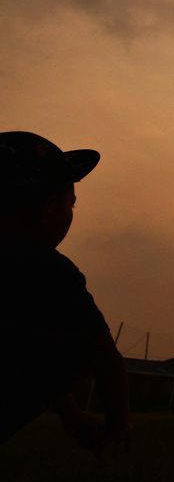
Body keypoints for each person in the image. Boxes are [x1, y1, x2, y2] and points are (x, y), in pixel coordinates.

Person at [0, 131, 130, 449]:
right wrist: (117, 431)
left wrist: (69, 413)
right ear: (50, 208)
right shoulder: (48, 270)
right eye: (71, 205)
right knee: (75, 343)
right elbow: (104, 358)